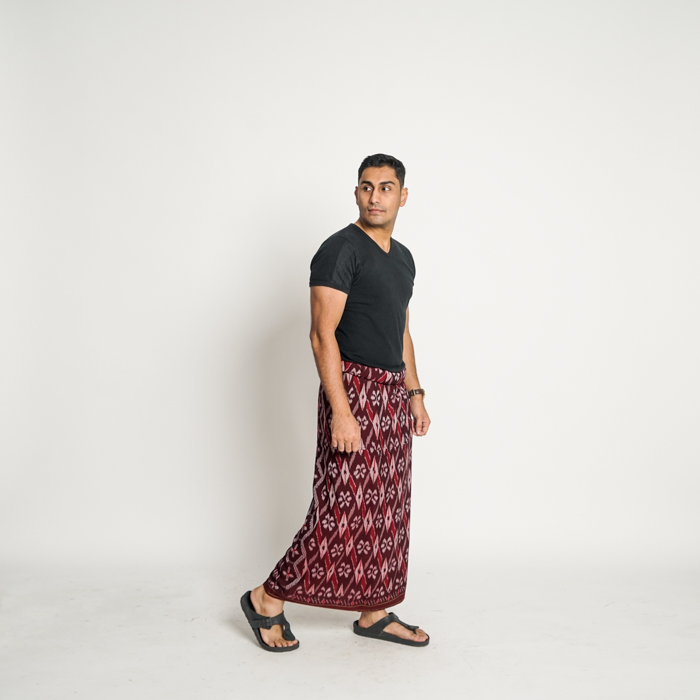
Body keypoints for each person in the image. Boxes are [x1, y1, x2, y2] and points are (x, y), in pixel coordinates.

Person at [241, 154, 431, 652]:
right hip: (353, 389)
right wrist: (342, 412)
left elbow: (401, 330)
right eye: (366, 186)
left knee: (387, 509)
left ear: (403, 196)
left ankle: (374, 611)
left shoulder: (404, 258)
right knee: (339, 508)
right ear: (356, 193)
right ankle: (266, 599)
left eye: (385, 188)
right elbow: (321, 334)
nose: (375, 196)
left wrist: (414, 393)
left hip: (391, 392)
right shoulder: (340, 249)